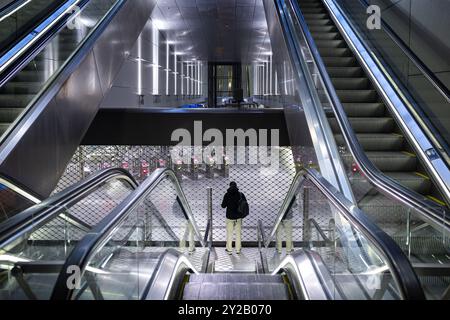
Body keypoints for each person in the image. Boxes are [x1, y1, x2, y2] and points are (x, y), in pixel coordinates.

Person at [221, 181, 247, 255]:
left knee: (229, 233)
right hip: (238, 217)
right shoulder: (241, 194)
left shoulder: (227, 194)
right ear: (236, 187)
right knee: (238, 234)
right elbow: (245, 204)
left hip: (229, 217)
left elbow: (223, 206)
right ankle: (238, 249)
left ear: (229, 186)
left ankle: (229, 250)